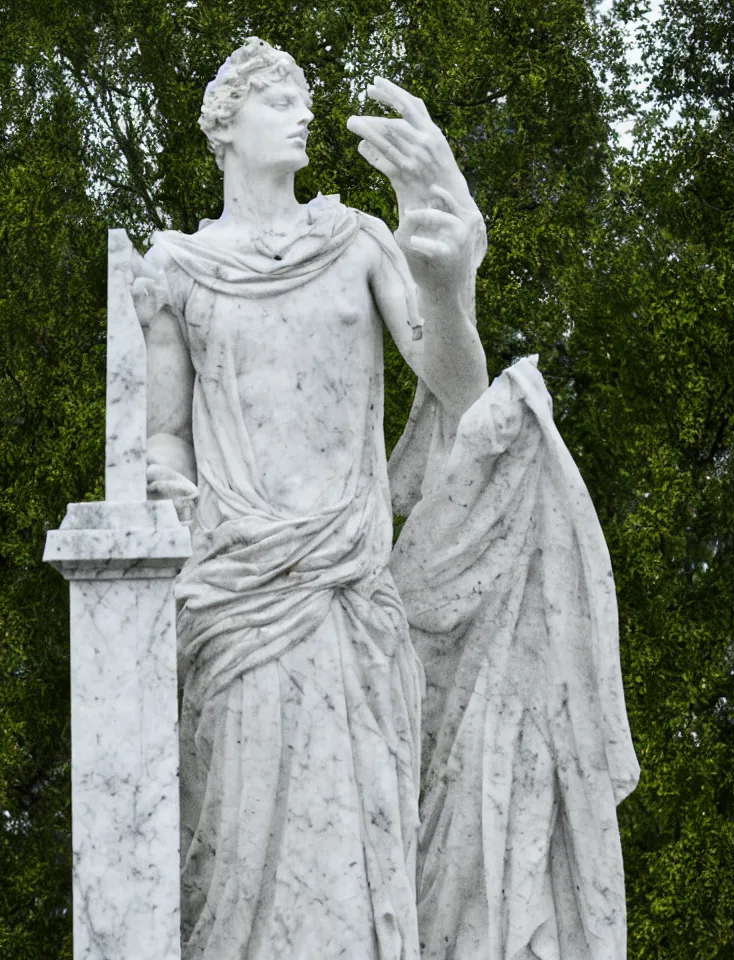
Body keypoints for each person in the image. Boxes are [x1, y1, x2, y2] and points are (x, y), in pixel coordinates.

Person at [131, 37, 487, 960]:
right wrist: (168, 499)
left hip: (346, 599)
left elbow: (460, 389)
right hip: (233, 600)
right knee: (237, 871)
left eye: (303, 97)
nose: (303, 112)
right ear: (224, 129)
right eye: (279, 97)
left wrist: (451, 285)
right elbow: (164, 430)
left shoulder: (357, 242)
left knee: (359, 867)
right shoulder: (175, 269)